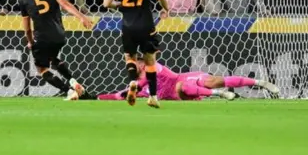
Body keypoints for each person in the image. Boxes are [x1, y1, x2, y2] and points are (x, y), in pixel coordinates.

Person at [102, 0, 170, 108]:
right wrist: (166, 9)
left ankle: (133, 81)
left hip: (128, 26)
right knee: (150, 60)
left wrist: (120, 5)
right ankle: (153, 96)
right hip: (146, 25)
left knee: (130, 57)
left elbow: (106, 3)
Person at [19, 0, 93, 100]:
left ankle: (69, 91)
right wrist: (81, 17)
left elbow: (27, 29)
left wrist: (30, 41)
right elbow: (65, 4)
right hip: (59, 35)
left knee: (41, 68)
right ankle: (73, 82)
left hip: (42, 37)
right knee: (53, 58)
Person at [98, 60, 279, 101]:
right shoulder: (139, 88)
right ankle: (218, 94)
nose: (136, 65)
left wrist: (137, 87)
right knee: (180, 89)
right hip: (180, 95)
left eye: (136, 62)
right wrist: (99, 97)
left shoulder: (152, 66)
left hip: (183, 79)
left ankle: (259, 83)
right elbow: (117, 95)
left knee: (213, 81)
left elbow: (159, 77)